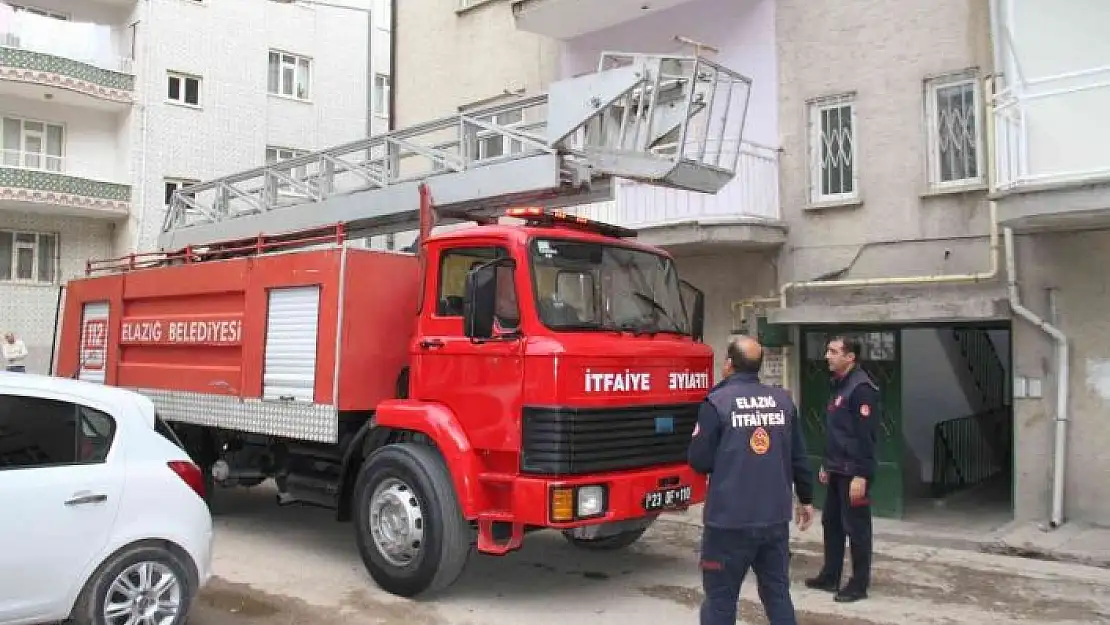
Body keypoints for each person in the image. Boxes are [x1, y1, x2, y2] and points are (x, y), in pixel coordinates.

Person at [688, 335, 815, 625]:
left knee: (720, 600)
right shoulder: (783, 401)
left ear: (728, 365)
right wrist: (806, 499)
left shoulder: (716, 402)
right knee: (777, 595)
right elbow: (799, 457)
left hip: (728, 523)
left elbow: (699, 460)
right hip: (773, 520)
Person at [805, 335, 880, 603]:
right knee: (832, 523)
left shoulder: (862, 389)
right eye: (828, 350)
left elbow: (866, 437)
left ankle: (859, 584)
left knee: (857, 528)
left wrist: (862, 474)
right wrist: (827, 463)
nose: (827, 356)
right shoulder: (839, 384)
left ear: (850, 357)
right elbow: (837, 432)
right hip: (838, 469)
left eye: (834, 351)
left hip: (854, 472)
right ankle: (830, 576)